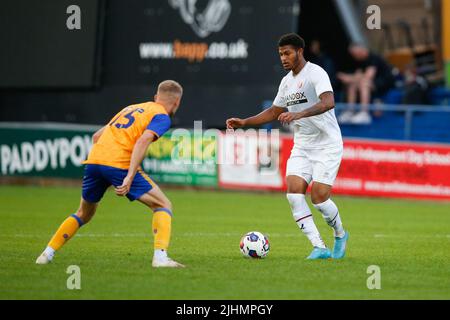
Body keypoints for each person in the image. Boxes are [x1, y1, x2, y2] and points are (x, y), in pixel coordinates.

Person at [36, 80, 185, 268]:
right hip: (119, 164)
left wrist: (103, 166)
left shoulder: (131, 108)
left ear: (156, 97)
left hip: (94, 161)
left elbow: (97, 136)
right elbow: (143, 140)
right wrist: (129, 176)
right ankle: (161, 258)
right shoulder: (162, 116)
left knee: (83, 213)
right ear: (177, 103)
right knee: (163, 204)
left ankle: (46, 254)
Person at [226, 33, 349, 260]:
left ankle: (340, 234)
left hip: (327, 144)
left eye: (287, 53)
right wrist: (245, 122)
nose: (283, 58)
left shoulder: (316, 73)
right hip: (302, 145)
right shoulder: (286, 82)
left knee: (319, 198)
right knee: (293, 193)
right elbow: (274, 112)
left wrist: (299, 113)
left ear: (300, 52)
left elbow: (328, 102)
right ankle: (319, 247)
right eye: (281, 54)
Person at [337, 43, 395, 124]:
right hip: (372, 83)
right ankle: (350, 111)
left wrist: (349, 78)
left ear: (360, 51)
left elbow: (368, 77)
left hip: (384, 84)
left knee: (363, 83)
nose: (353, 56)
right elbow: (357, 76)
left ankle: (365, 113)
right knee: (352, 85)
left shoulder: (373, 58)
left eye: (354, 54)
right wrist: (349, 78)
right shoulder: (359, 61)